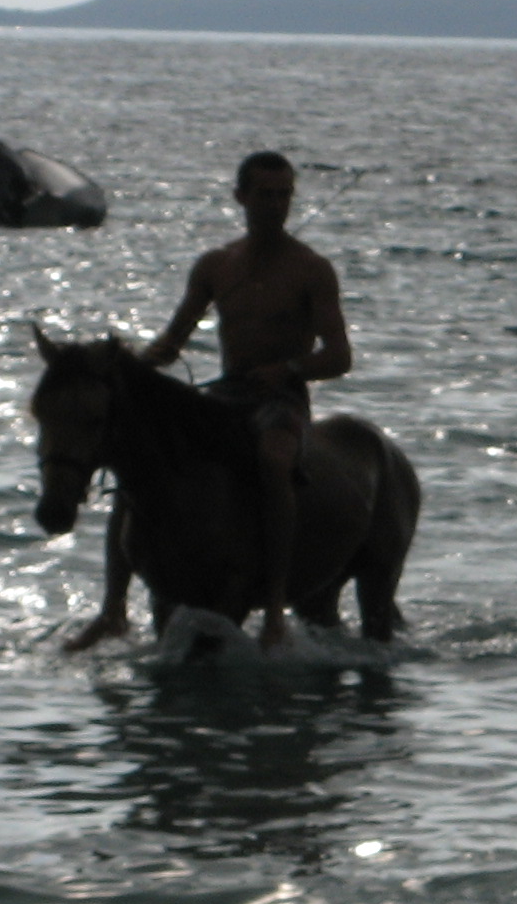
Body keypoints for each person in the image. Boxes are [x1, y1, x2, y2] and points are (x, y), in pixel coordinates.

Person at [66, 150, 352, 652]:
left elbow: (339, 355)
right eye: (265, 195)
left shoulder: (312, 270)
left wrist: (288, 368)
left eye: (284, 195)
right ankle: (112, 610)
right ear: (241, 197)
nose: (276, 205)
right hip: (225, 394)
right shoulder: (217, 265)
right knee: (137, 458)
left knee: (273, 459)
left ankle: (277, 608)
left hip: (279, 398)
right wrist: (130, 362)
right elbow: (171, 343)